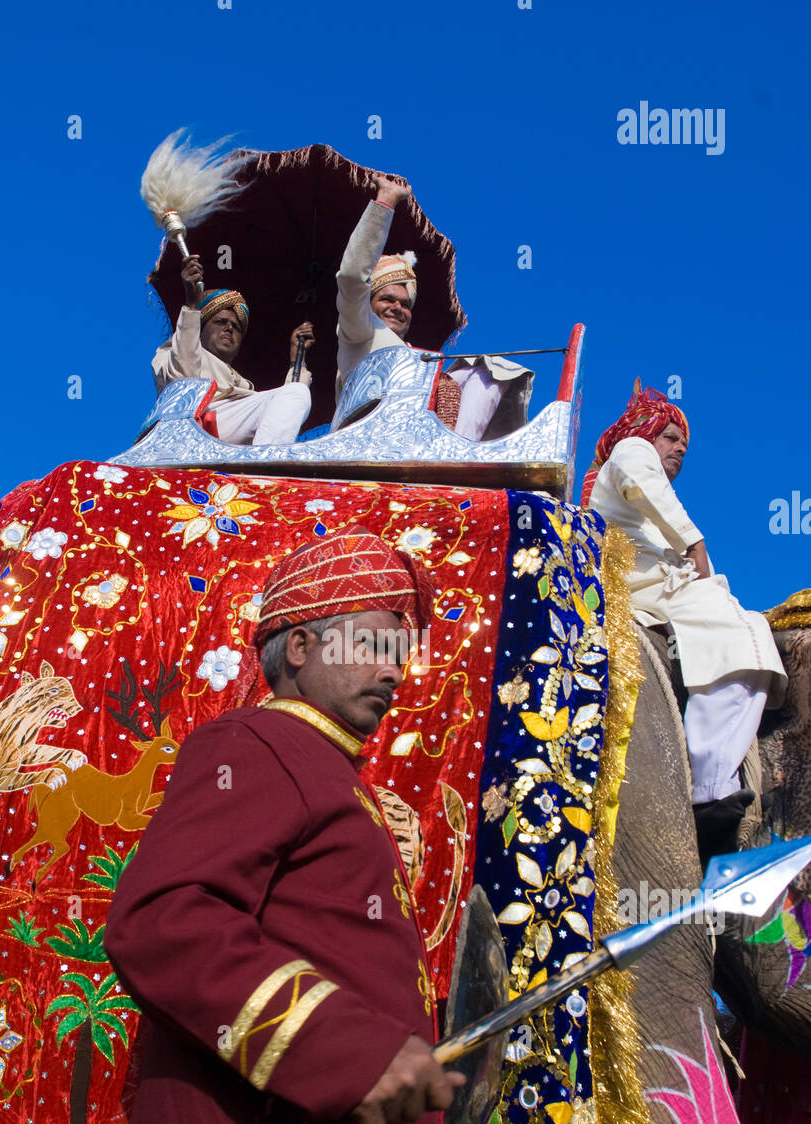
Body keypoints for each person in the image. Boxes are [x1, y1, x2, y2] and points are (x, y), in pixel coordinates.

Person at [104, 527, 465, 1124]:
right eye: (372, 642)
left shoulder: (333, 777)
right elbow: (167, 918)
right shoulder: (257, 744)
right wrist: (347, 1050)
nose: (395, 668)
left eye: (401, 649)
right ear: (298, 647)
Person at [582, 382, 787, 858]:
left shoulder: (649, 506)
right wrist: (695, 543)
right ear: (647, 432)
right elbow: (640, 476)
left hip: (658, 591)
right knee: (744, 633)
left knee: (745, 627)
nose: (679, 449)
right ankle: (710, 783)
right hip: (648, 591)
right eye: (672, 437)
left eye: (685, 445)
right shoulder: (630, 452)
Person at [336, 175, 533, 440]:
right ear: (368, 303)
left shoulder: (415, 356)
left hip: (419, 435)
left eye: (405, 304)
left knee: (489, 368)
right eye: (387, 299)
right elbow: (351, 277)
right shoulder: (360, 329)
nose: (397, 307)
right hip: (371, 434)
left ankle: (459, 451)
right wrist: (385, 200)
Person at [152, 254, 315, 445]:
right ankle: (265, 465)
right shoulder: (174, 349)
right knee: (294, 393)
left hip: (232, 428)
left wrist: (297, 356)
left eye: (236, 327)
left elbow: (286, 401)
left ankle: (263, 467)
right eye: (220, 322)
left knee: (295, 393)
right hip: (197, 425)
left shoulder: (243, 384)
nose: (229, 328)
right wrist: (192, 305)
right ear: (200, 328)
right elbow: (184, 382)